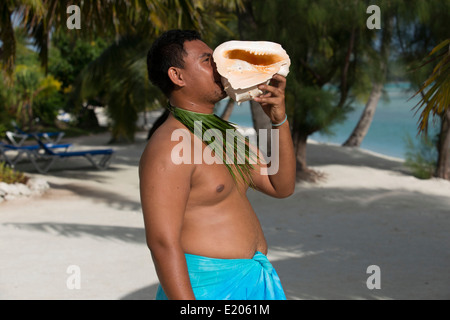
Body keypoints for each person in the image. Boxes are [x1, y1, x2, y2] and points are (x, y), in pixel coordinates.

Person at [139, 29, 296, 300]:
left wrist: (278, 121)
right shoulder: (168, 147)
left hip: (253, 283)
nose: (221, 67)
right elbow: (163, 243)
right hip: (208, 290)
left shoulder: (223, 135)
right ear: (177, 76)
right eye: (208, 61)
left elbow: (280, 185)